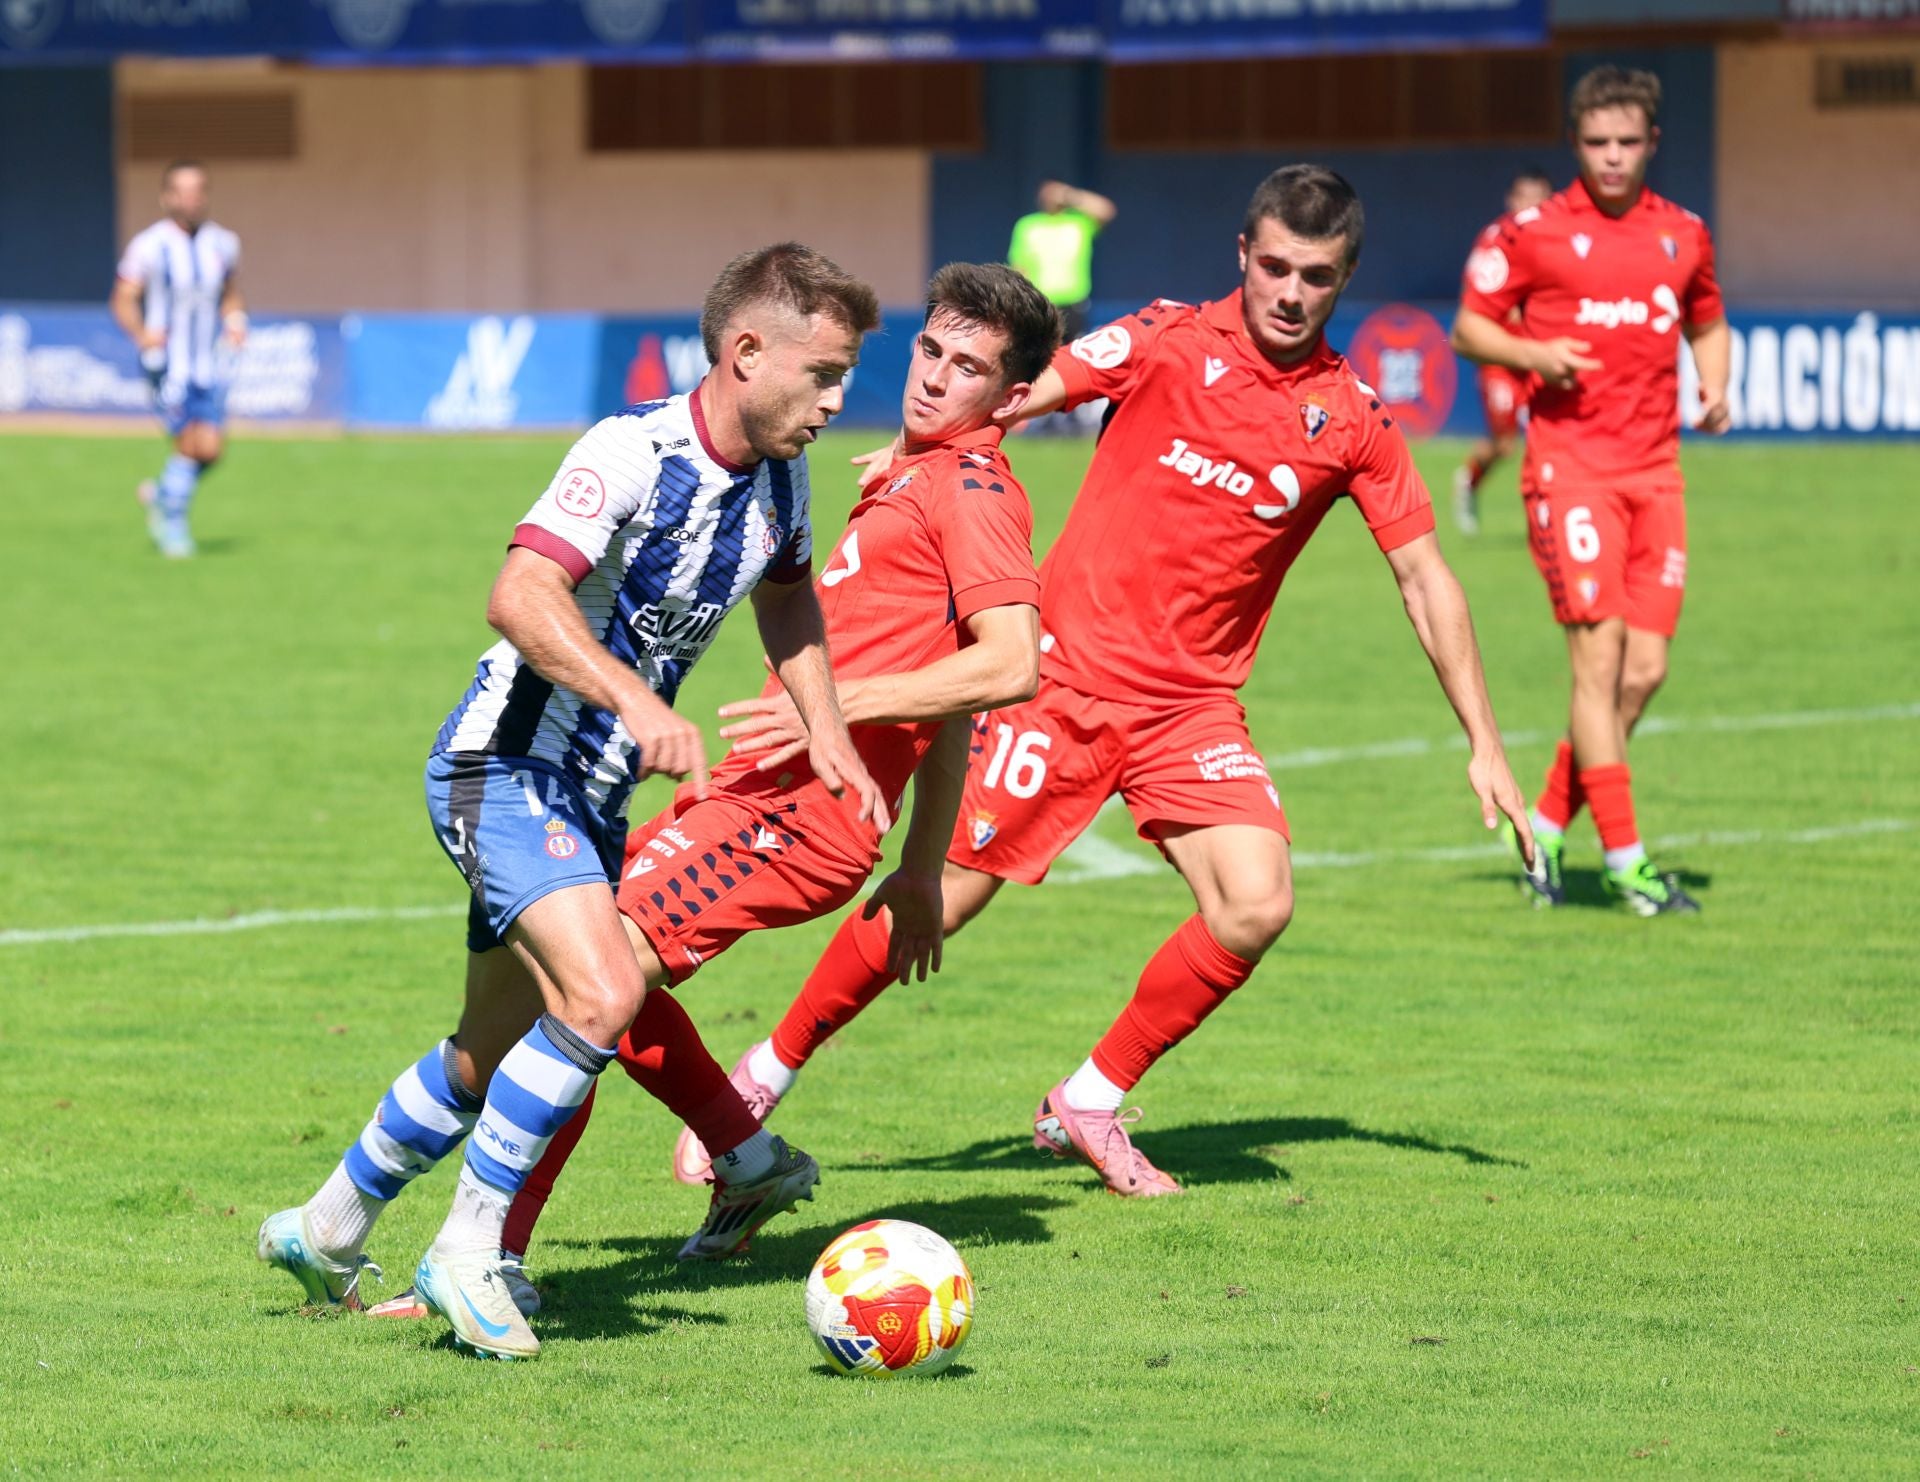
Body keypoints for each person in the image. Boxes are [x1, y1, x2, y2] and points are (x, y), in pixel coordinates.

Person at [662, 165, 1535, 1199]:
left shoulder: (1350, 419)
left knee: (1255, 904)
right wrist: (912, 445)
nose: (1292, 291)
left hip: (1190, 710)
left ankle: (1090, 1097)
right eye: (1276, 266)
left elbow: (1424, 576)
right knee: (938, 891)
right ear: (1242, 256)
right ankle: (770, 1068)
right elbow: (1023, 390)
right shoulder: (1167, 338)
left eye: (1319, 275)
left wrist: (1483, 739)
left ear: (1345, 279)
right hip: (1057, 678)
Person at [370, 261, 1060, 1314]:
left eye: (969, 370)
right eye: (930, 351)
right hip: (748, 798)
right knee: (603, 994)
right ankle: (744, 1158)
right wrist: (920, 868)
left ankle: (481, 1259)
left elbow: (1011, 664)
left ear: (1011, 400)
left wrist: (832, 712)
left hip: (799, 819)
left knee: (587, 993)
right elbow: (942, 693)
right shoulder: (901, 475)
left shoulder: (968, 491)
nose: (933, 380)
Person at [258, 243, 888, 1361]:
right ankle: (468, 1251)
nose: (840, 400)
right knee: (604, 991)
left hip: (586, 801)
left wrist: (829, 734)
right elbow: (520, 591)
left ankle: (325, 1228)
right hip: (499, 766)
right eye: (824, 372)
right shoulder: (630, 452)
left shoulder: (784, 479)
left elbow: (789, 601)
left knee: (483, 1052)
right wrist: (636, 702)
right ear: (747, 353)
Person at [1451, 66, 1730, 915]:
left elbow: (1708, 319)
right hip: (1569, 472)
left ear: (1652, 144)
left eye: (1628, 143)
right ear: (1577, 145)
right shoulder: (1530, 232)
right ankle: (1628, 868)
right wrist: (1537, 357)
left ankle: (1544, 821)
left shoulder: (1685, 234)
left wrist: (1715, 386)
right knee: (1598, 660)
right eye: (1598, 143)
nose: (1613, 158)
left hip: (1657, 474)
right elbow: (1468, 326)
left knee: (1643, 673)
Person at [111, 160, 245, 559]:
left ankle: (162, 494)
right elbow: (122, 299)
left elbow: (230, 292)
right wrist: (141, 333)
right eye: (181, 191)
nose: (190, 199)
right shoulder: (149, 246)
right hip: (167, 364)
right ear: (166, 196)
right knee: (189, 443)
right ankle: (173, 526)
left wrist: (235, 320)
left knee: (212, 449)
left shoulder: (224, 243)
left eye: (197, 190)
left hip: (209, 362)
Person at [1450, 167, 1554, 537]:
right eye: (1524, 196)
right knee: (1505, 443)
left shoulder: (1556, 242)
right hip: (1501, 357)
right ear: (1511, 200)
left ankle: (1545, 517)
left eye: (1538, 197)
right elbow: (1475, 306)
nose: (1531, 205)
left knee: (1549, 437)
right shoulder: (1496, 243)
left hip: (1539, 355)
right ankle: (1469, 479)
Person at [1008, 179, 1117, 343]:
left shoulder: (1079, 223)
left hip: (1073, 304)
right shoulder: (1028, 224)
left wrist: (1069, 195)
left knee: (1072, 352)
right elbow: (1019, 267)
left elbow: (1106, 211)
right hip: (1040, 302)